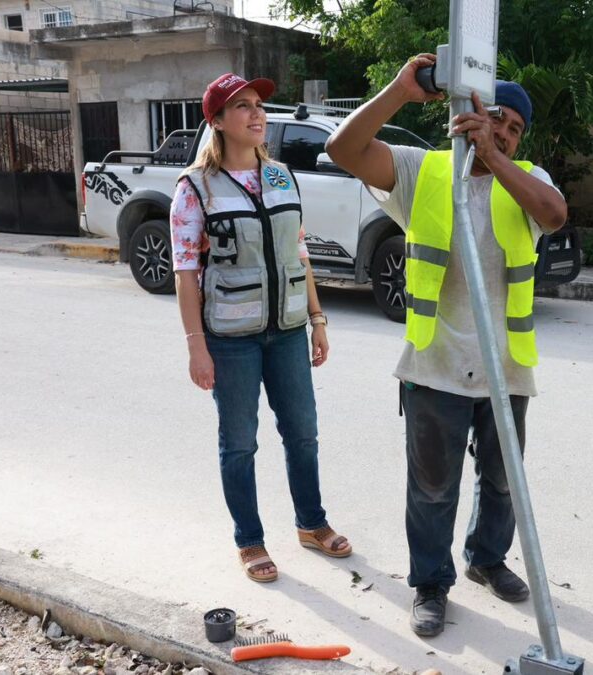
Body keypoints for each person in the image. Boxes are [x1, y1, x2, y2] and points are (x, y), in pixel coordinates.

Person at [325, 54, 568, 637]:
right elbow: (342, 149)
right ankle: (430, 583)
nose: (505, 133)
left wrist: (492, 156)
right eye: (497, 119)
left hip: (505, 369)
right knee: (432, 489)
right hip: (435, 366)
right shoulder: (422, 172)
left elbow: (555, 216)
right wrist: (398, 92)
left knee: (503, 479)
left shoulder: (528, 178)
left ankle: (486, 559)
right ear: (465, 114)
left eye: (514, 129)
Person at [172, 72, 352, 583]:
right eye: (243, 106)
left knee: (303, 433)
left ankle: (311, 525)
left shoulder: (280, 177)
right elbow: (187, 275)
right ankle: (249, 541)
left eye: (259, 106)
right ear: (217, 121)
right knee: (240, 442)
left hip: (289, 330)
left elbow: (299, 254)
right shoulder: (193, 189)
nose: (257, 115)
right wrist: (196, 347)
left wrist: (317, 319)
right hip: (231, 339)